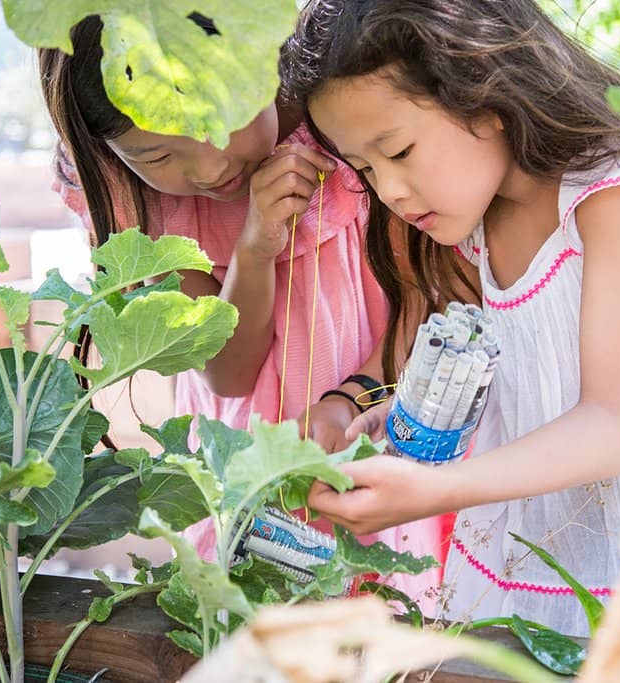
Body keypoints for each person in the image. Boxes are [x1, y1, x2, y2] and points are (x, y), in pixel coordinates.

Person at [285, 0, 620, 656]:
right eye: (365, 169)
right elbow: (542, 369)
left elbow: (611, 427)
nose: (388, 189)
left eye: (399, 150)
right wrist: (400, 414)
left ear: (487, 94)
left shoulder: (617, 183)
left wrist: (434, 490)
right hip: (548, 567)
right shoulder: (482, 214)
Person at [38, 13, 447, 610]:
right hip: (245, 470)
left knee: (395, 613)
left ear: (263, 52)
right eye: (156, 155)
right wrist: (255, 250)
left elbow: (424, 296)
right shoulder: (136, 198)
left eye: (220, 120)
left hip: (383, 425)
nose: (210, 168)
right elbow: (227, 374)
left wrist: (349, 398)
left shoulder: (341, 111)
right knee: (258, 623)